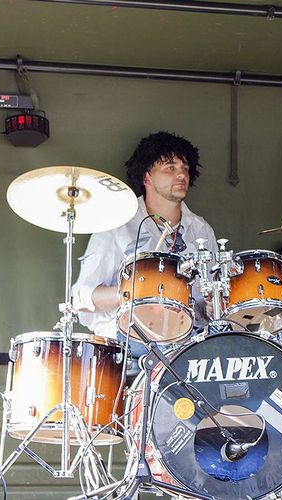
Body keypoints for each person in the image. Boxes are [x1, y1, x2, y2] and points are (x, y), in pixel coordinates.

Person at [72, 131, 217, 362]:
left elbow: (206, 306)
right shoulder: (117, 225)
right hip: (127, 349)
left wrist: (212, 309)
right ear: (147, 177)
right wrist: (135, 292)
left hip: (187, 350)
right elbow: (81, 298)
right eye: (170, 167)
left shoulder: (201, 231)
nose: (181, 174)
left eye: (185, 168)